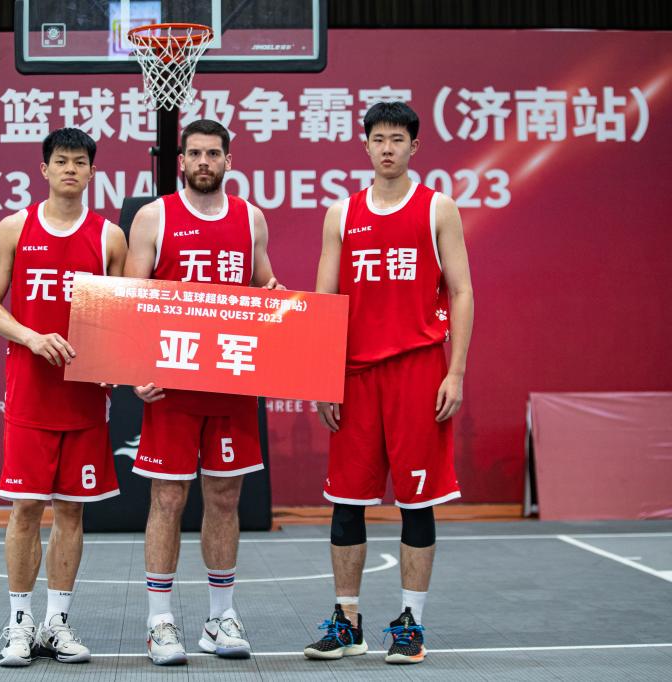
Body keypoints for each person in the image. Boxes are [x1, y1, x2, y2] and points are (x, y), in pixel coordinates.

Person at [304, 101, 473, 665]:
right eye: (378, 139)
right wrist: (322, 375)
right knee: (346, 501)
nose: (387, 148)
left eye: (397, 139)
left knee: (416, 502)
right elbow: (325, 300)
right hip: (355, 376)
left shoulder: (437, 208)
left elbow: (462, 292)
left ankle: (410, 624)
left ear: (413, 146)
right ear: (366, 145)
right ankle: (346, 622)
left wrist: (455, 370)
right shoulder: (341, 213)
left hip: (418, 371)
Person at [123, 118, 282, 665]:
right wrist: (136, 368)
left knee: (225, 497)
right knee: (168, 499)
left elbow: (264, 285)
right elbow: (130, 301)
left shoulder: (250, 218)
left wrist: (276, 295)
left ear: (228, 161)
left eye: (213, 154)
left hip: (231, 381)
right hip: (173, 385)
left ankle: (221, 616)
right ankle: (160, 622)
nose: (204, 162)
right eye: (195, 154)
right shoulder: (154, 217)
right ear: (182, 161)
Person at [0, 128, 127, 667]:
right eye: (61, 161)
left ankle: (57, 622)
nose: (70, 169)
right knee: (25, 508)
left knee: (71, 512)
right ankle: (19, 625)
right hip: (30, 393)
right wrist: (31, 337)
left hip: (84, 398)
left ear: (92, 171)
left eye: (80, 162)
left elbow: (122, 316)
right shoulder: (15, 227)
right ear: (44, 169)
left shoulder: (109, 237)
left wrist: (117, 365)